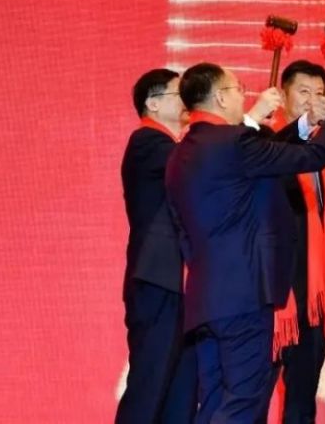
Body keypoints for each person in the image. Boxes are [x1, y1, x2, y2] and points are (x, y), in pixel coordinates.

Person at [165, 62, 325, 424]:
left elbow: (182, 233)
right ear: (221, 98)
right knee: (243, 404)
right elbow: (311, 156)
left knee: (214, 403)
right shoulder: (234, 143)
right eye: (238, 89)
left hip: (205, 299)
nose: (244, 97)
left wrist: (306, 123)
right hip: (245, 300)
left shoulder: (180, 154)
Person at [116, 68, 197, 424]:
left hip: (181, 287)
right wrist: (248, 121)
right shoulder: (148, 142)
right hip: (157, 283)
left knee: (181, 395)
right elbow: (197, 162)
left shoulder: (172, 147)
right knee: (149, 388)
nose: (187, 101)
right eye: (179, 94)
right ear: (153, 103)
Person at [270, 60, 325, 423]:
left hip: (315, 292)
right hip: (275, 290)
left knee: (303, 397)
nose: (313, 100)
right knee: (252, 393)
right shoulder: (264, 145)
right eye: (303, 92)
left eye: (319, 93)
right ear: (282, 95)